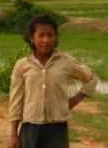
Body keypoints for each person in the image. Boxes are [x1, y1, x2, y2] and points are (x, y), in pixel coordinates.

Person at [8, 14, 98, 148]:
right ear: (31, 38)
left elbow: (91, 77)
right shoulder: (22, 65)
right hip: (30, 127)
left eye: (50, 35)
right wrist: (14, 135)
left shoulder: (65, 61)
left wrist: (76, 99)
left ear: (56, 38)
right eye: (41, 35)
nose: (46, 40)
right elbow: (15, 101)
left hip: (57, 128)